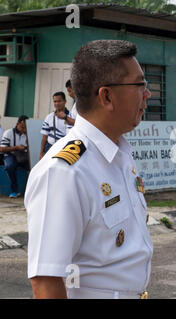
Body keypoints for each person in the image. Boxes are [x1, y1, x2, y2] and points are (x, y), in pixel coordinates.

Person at [25, 40, 152, 299]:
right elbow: (46, 281)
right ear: (106, 96)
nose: (147, 94)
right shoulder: (64, 172)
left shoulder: (120, 155)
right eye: (140, 85)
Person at [0, 115, 29, 198]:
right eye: (22, 127)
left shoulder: (27, 134)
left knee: (32, 167)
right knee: (9, 166)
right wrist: (16, 148)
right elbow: (2, 149)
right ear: (17, 124)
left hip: (23, 156)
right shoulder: (8, 133)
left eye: (25, 127)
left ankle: (28, 191)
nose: (24, 129)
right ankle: (14, 190)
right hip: (10, 155)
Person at [39, 91, 72, 158]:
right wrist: (41, 152)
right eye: (55, 101)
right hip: (49, 148)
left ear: (65, 101)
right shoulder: (49, 117)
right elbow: (44, 137)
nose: (57, 103)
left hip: (64, 149)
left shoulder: (71, 117)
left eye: (59, 101)